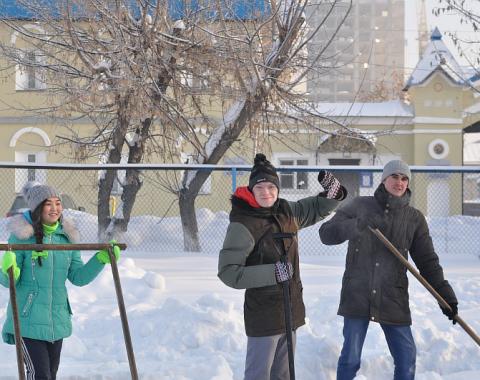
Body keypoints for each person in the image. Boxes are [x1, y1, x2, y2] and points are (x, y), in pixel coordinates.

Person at [319, 159, 458, 380]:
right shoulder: (359, 205)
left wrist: (445, 296)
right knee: (350, 359)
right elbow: (326, 234)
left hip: (393, 294)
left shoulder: (414, 218)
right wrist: (356, 225)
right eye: (394, 176)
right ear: (384, 179)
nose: (400, 182)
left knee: (406, 358)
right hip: (358, 293)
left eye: (404, 178)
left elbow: (428, 261)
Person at [218, 153, 347, 380]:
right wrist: (272, 273)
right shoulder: (243, 223)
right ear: (251, 190)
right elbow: (229, 272)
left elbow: (317, 208)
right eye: (260, 187)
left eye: (271, 187)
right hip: (264, 313)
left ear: (278, 189)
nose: (266, 192)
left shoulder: (286, 211)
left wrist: (334, 193)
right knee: (259, 375)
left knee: (283, 375)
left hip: (290, 310)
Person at [0, 182, 121, 379]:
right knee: (39, 375)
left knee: (50, 375)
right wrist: (8, 270)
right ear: (38, 208)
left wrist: (101, 259)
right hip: (27, 319)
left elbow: (78, 277)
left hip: (56, 319)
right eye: (49, 204)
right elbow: (8, 283)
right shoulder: (21, 238)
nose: (55, 208)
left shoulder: (66, 238)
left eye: (58, 203)